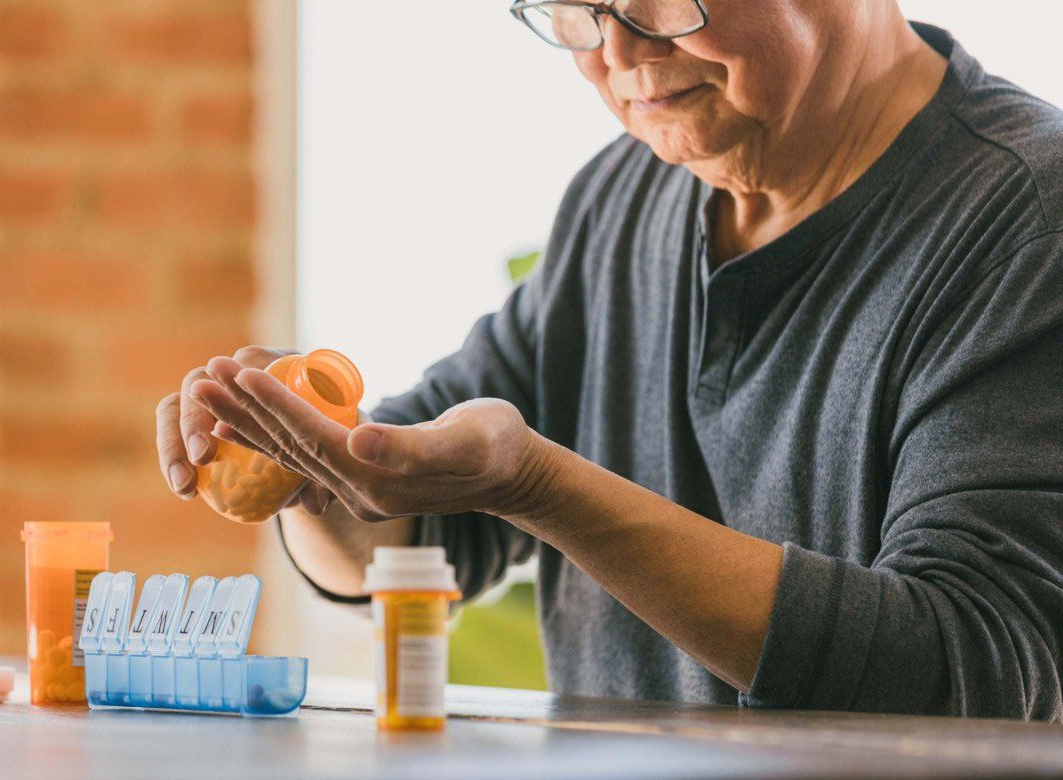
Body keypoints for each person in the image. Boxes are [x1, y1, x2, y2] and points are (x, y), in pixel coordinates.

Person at [155, 0, 1063, 719]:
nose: (618, 57)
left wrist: (540, 486)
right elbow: (425, 536)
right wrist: (306, 454)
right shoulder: (624, 196)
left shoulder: (1025, 216)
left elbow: (978, 667)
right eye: (579, 5)